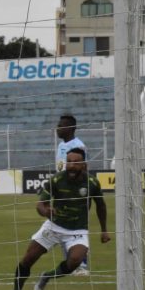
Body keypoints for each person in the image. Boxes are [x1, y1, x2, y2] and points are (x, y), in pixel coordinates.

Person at [4, 148, 110, 290]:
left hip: (78, 229)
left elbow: (101, 206)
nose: (71, 165)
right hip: (54, 226)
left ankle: (47, 276)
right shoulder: (56, 180)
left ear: (84, 165)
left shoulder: (92, 183)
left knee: (75, 260)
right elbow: (40, 204)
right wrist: (46, 212)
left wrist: (104, 230)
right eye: (69, 162)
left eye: (76, 162)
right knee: (28, 259)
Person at [55, 114, 90, 277]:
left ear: (70, 128)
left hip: (74, 193)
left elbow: (83, 169)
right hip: (61, 193)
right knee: (62, 227)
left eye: (61, 126)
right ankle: (70, 264)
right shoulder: (61, 145)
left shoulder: (78, 146)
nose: (58, 128)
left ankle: (82, 265)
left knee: (77, 228)